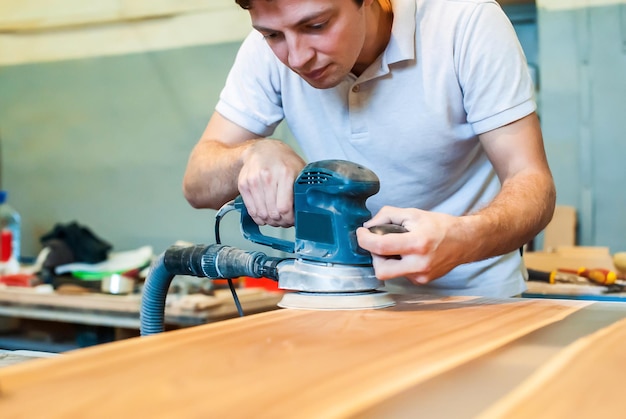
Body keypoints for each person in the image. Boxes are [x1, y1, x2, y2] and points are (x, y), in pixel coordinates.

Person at [183, 0, 556, 297]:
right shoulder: (264, 53)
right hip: (341, 296)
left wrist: (462, 238)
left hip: (475, 299)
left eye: (316, 26)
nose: (296, 58)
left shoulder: (465, 23)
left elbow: (532, 182)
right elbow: (197, 182)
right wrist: (252, 153)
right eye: (272, 35)